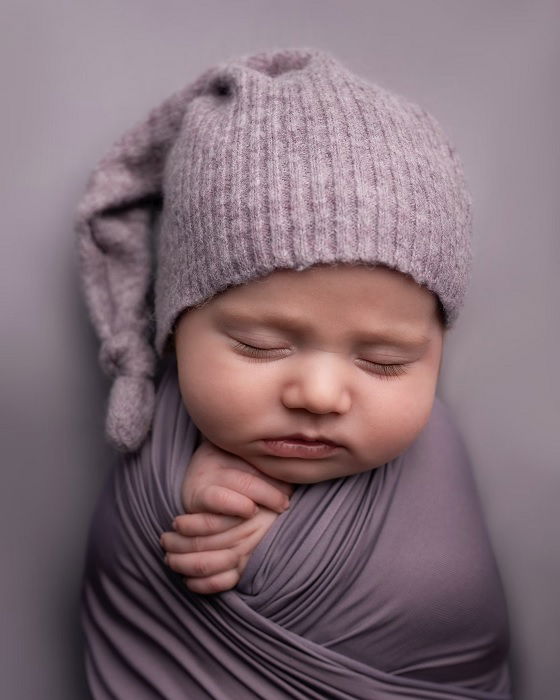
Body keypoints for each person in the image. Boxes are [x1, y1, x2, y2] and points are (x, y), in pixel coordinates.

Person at [76, 47, 512, 698]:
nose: (318, 394)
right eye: (259, 345)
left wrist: (285, 548)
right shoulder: (160, 440)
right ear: (173, 328)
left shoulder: (435, 468)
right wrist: (176, 489)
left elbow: (445, 618)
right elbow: (130, 571)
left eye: (383, 361)